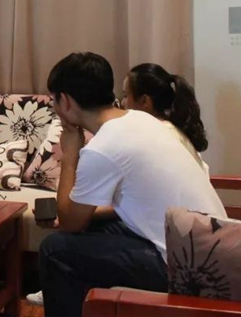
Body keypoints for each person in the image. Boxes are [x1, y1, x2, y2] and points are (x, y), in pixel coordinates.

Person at [34, 52, 225, 317]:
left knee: (55, 251)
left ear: (64, 101)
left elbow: (68, 222)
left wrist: (70, 155)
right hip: (210, 250)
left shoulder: (103, 148)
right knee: (91, 227)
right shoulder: (142, 120)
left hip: (185, 269)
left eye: (53, 99)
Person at [122, 63, 209, 173]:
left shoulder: (153, 138)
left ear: (144, 101)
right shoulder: (171, 131)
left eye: (125, 96)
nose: (122, 103)